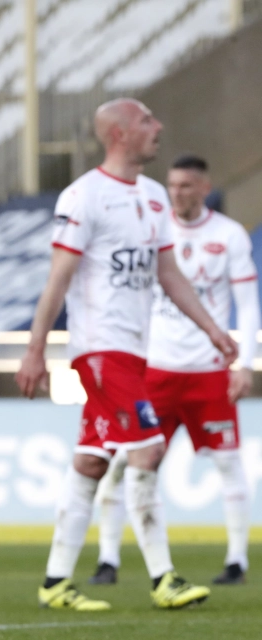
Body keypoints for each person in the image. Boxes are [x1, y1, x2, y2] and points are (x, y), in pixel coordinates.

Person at [15, 98, 237, 610]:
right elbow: (58, 279)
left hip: (135, 352)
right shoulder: (84, 196)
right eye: (146, 121)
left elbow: (168, 275)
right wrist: (35, 351)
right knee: (147, 449)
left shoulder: (155, 197)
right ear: (118, 134)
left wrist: (212, 331)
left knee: (91, 461)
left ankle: (54, 583)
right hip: (101, 351)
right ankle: (164, 577)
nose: (158, 127)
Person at [90, 155, 258, 586]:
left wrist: (245, 361)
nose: (177, 193)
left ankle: (237, 559)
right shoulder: (151, 229)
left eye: (186, 186)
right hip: (155, 370)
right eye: (172, 185)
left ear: (205, 188)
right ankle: (108, 559)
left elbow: (248, 302)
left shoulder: (229, 235)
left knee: (227, 461)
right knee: (129, 461)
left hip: (207, 371)